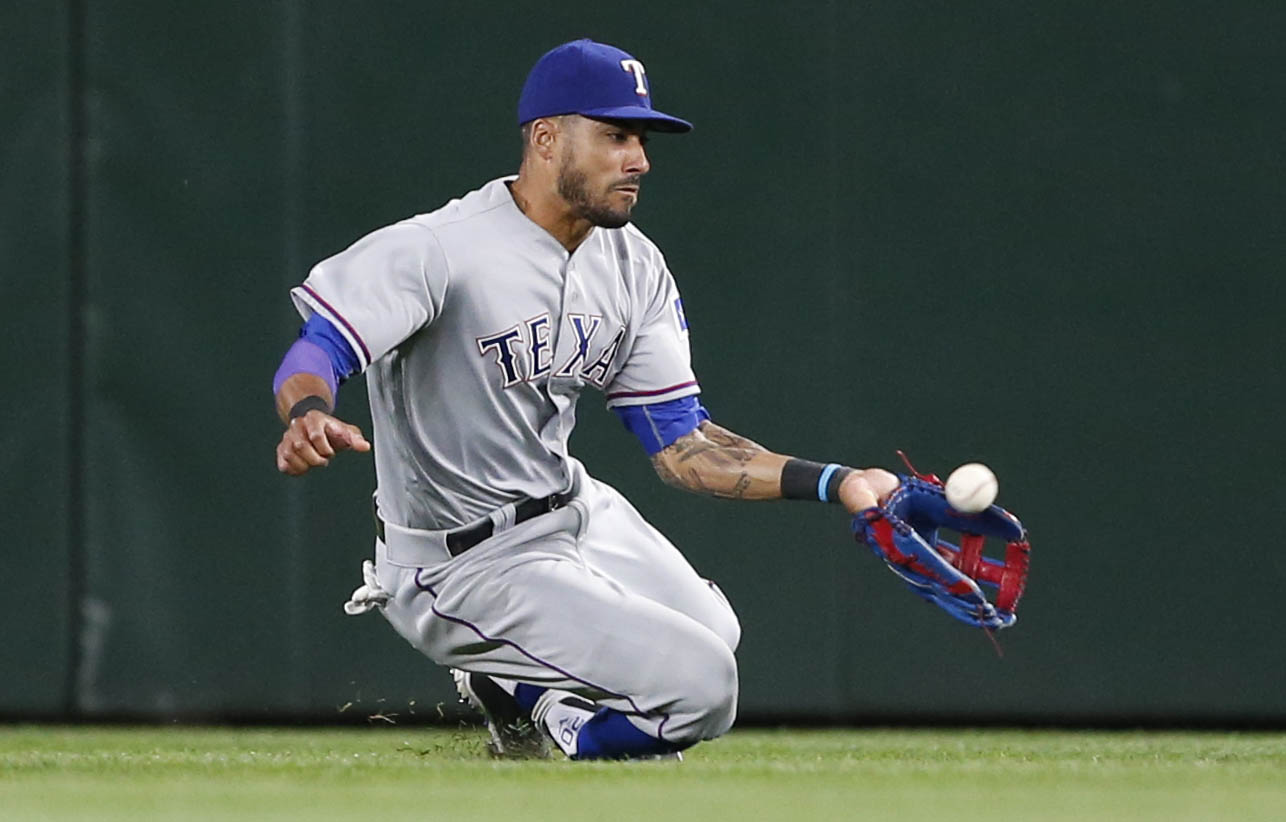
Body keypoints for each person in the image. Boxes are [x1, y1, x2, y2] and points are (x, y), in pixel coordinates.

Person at [272, 38, 897, 760]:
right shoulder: (439, 249)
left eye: (642, 138)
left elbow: (684, 448)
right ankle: (544, 712)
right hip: (457, 563)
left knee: (716, 632)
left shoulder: (633, 264)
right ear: (544, 138)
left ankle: (515, 692)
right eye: (615, 135)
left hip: (570, 510)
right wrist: (307, 411)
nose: (639, 159)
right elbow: (317, 348)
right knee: (701, 689)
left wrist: (839, 482)